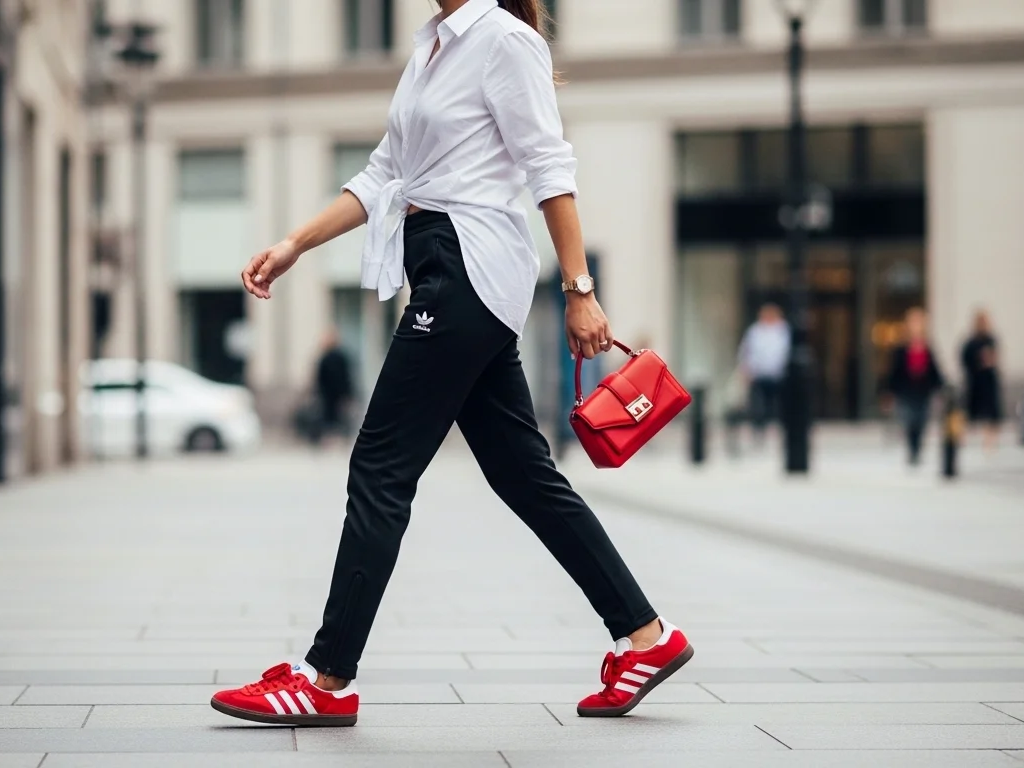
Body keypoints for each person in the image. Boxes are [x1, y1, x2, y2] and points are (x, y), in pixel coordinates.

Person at [211, 0, 691, 727]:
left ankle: (327, 677)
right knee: (523, 476)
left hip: (466, 266)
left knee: (380, 465)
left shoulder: (503, 40)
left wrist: (579, 288)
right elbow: (383, 174)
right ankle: (647, 638)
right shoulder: (433, 46)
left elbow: (548, 166)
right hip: (445, 265)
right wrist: (295, 244)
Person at [886, 308, 944, 466]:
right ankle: (912, 450)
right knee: (909, 421)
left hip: (923, 391)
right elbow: (894, 371)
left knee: (921, 421)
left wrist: (940, 389)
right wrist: (890, 392)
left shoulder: (927, 347)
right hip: (906, 391)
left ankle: (917, 450)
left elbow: (934, 371)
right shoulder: (901, 349)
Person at [737, 303, 791, 447]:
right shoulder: (755, 331)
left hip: (777, 375)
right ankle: (759, 431)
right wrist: (746, 370)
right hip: (758, 374)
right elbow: (746, 352)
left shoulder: (783, 330)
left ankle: (778, 430)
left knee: (777, 405)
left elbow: (786, 352)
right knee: (758, 406)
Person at [960, 309, 1002, 454]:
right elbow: (964, 359)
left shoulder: (991, 340)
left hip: (989, 382)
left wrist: (990, 361)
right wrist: (977, 361)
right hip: (976, 382)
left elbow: (995, 358)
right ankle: (965, 439)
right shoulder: (971, 342)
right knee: (971, 411)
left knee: (991, 414)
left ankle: (989, 444)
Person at [310, 327, 355, 445]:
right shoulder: (338, 357)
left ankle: (331, 440)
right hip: (335, 394)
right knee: (336, 418)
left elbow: (320, 378)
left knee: (333, 418)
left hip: (331, 394)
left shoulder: (329, 358)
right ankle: (336, 440)